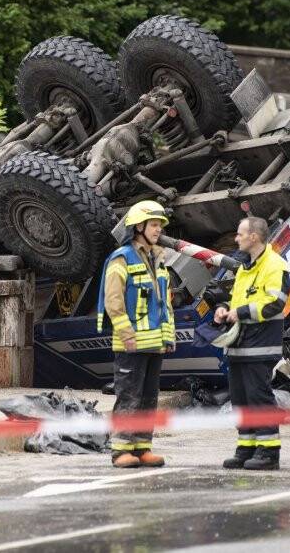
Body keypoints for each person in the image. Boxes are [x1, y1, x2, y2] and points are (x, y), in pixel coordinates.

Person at [97, 200, 176, 469]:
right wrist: (126, 333)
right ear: (138, 227)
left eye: (159, 225)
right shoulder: (122, 258)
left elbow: (164, 303)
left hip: (155, 343)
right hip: (130, 344)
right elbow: (113, 300)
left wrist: (169, 336)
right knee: (129, 397)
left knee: (148, 398)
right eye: (154, 225)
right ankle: (121, 451)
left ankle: (142, 447)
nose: (158, 230)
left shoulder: (158, 259)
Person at [214, 216, 290, 471]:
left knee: (259, 398)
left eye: (239, 234)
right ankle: (246, 448)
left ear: (254, 237)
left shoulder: (275, 265)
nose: (236, 239)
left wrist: (241, 312)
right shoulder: (245, 268)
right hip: (240, 345)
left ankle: (268, 453)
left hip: (260, 346)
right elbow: (236, 300)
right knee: (241, 400)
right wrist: (224, 309)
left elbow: (275, 303)